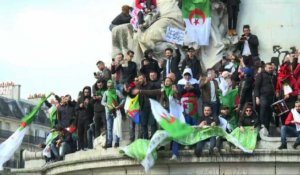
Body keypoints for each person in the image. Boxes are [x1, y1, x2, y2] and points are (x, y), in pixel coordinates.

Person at [101, 80, 125, 148]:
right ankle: (109, 142)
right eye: (108, 86)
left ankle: (117, 142)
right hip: (108, 111)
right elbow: (102, 102)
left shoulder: (117, 91)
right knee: (109, 127)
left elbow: (123, 99)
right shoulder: (106, 93)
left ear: (113, 85)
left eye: (110, 86)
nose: (109, 87)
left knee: (116, 126)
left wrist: (119, 106)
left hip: (116, 111)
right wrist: (107, 105)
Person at [254, 63, 277, 132]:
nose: (270, 69)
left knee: (269, 112)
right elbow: (256, 87)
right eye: (269, 68)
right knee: (263, 111)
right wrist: (257, 97)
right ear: (265, 68)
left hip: (271, 97)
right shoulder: (260, 75)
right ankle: (262, 125)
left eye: (271, 68)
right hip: (263, 96)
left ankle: (267, 128)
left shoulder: (273, 76)